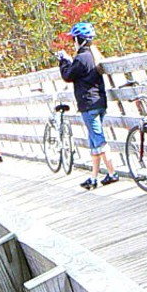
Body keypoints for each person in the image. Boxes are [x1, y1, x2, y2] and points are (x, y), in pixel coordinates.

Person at [56, 21, 119, 190]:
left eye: (74, 39)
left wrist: (63, 61)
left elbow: (68, 75)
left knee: (99, 140)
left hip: (89, 105)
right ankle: (93, 178)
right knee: (93, 142)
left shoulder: (82, 57)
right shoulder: (92, 55)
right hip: (99, 102)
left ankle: (112, 173)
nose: (73, 42)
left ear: (79, 40)